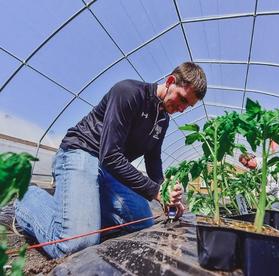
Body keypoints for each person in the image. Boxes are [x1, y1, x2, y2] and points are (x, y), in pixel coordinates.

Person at [12, 62, 207, 259]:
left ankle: (80, 213)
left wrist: (167, 191)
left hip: (109, 170)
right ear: (170, 81)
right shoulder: (129, 92)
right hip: (81, 152)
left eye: (187, 106)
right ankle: (26, 197)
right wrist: (156, 192)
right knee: (76, 246)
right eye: (182, 99)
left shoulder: (163, 120)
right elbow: (111, 155)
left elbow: (153, 161)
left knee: (143, 223)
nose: (182, 109)